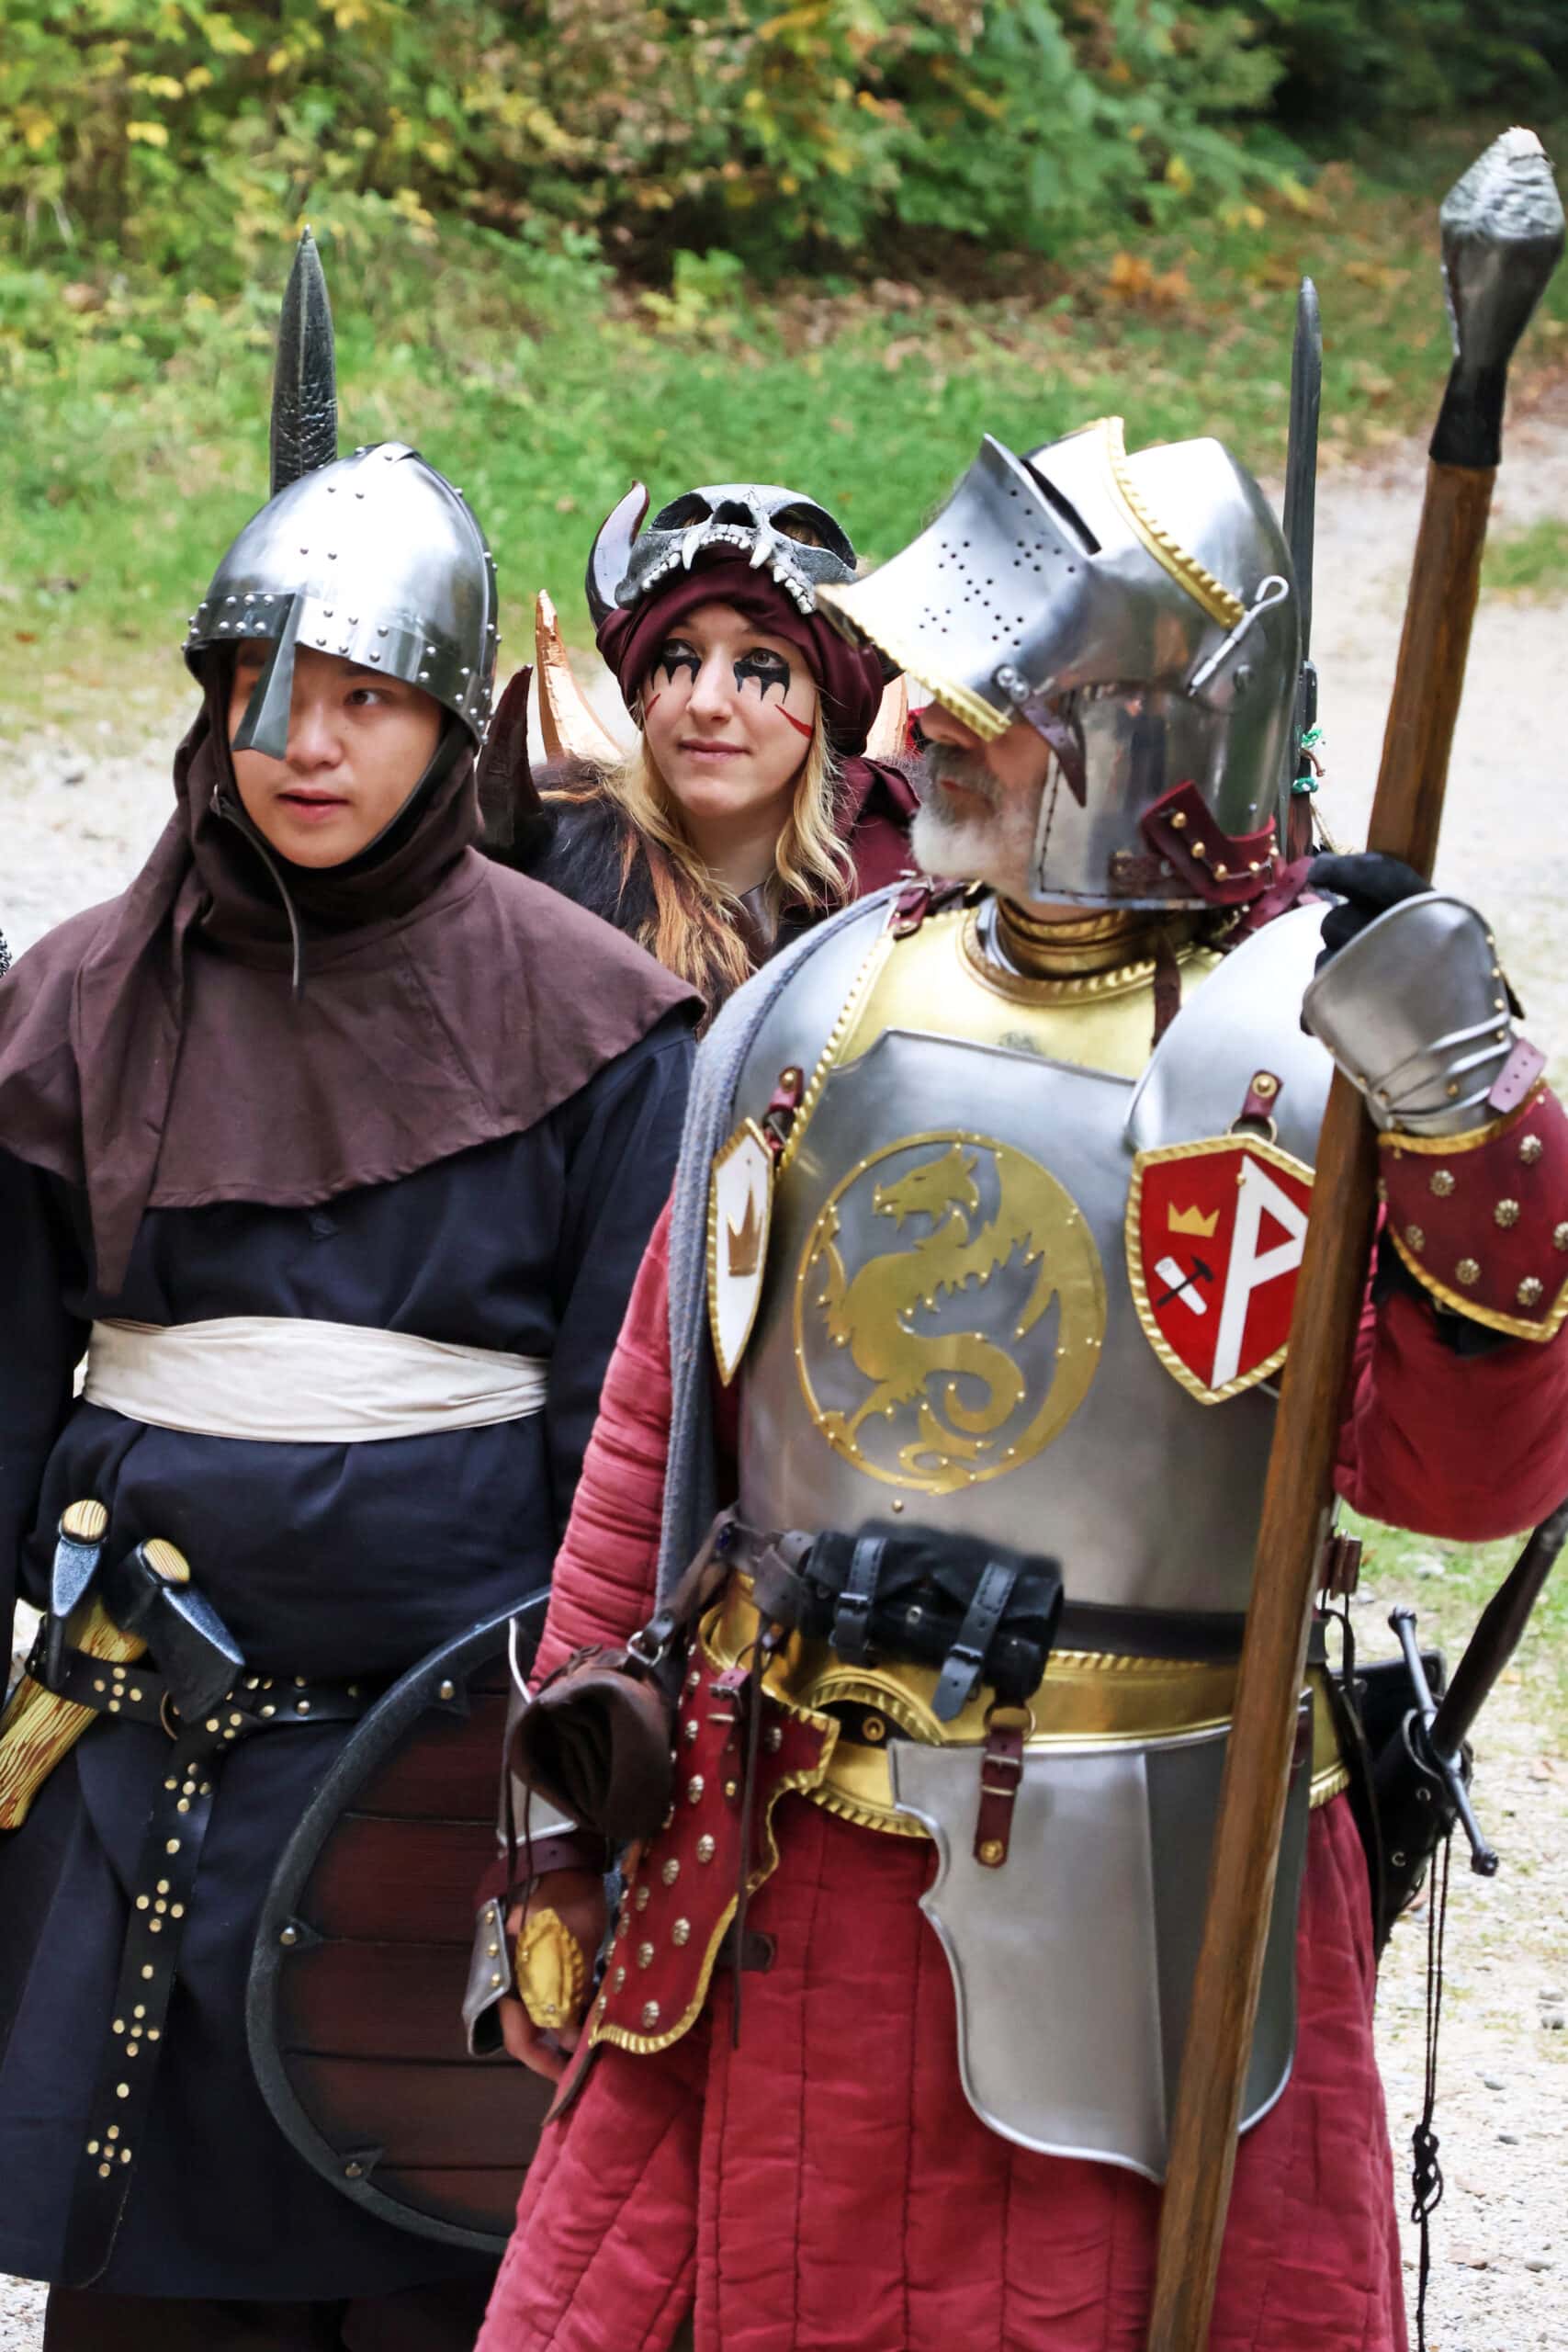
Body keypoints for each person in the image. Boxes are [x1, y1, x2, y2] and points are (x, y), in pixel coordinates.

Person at [473, 413, 1568, 2351]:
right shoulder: (819, 1000)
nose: (916, 734)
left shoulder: (1287, 1060)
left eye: (980, 706)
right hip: (777, 1846)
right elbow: (659, 1430)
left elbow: (1464, 1483)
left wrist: (1464, 1105)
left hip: (1153, 1874)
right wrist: (559, 1813)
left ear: (1126, 734)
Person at [0, 237, 696, 2349]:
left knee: (430, 2280)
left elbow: (627, 1445)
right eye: (260, 689)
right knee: (153, 2303)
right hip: (140, 1758)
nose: (301, 742)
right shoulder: (77, 1000)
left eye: (366, 699)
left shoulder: (593, 1016)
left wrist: (578, 1763)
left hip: (449, 1771)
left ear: (446, 720)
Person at [498, 482, 918, 1010]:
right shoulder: (542, 889)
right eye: (678, 653)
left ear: (827, 700)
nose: (706, 701)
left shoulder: (913, 902)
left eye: (760, 660)